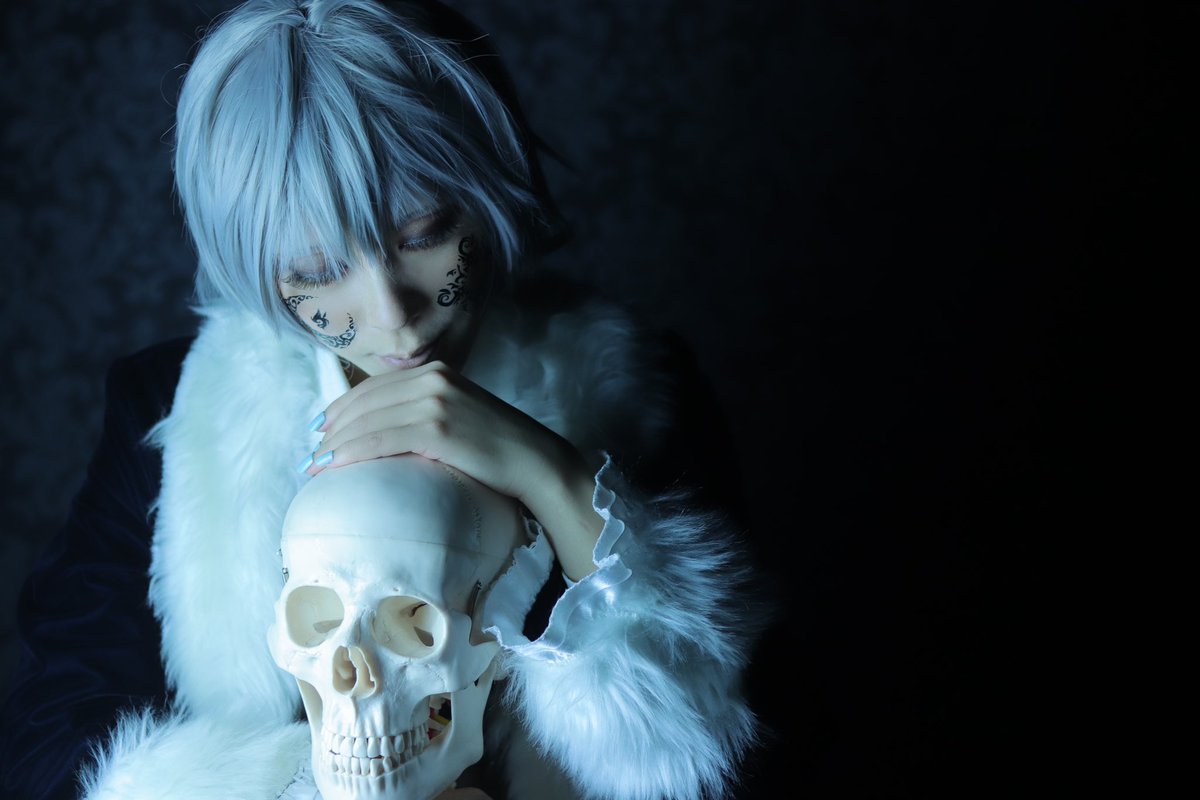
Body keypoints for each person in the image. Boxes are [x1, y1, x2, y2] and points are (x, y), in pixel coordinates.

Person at [0, 1, 772, 798]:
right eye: (317, 270)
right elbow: (52, 738)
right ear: (257, 266)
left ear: (486, 185)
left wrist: (556, 478)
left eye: (423, 234)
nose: (392, 312)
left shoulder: (643, 390)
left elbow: (736, 749)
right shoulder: (165, 412)